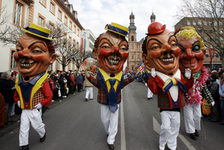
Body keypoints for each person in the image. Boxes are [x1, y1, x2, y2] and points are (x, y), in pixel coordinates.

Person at [142, 22, 193, 150]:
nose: (167, 49)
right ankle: (162, 142)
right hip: (165, 107)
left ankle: (172, 145)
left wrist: (188, 77)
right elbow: (154, 90)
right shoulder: (158, 77)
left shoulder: (179, 75)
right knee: (165, 127)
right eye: (155, 46)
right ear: (146, 58)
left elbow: (186, 86)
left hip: (176, 107)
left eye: (173, 44)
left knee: (175, 127)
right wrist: (152, 78)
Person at [86, 22, 134, 150]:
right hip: (103, 100)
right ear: (96, 53)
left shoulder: (120, 78)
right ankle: (109, 132)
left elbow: (125, 82)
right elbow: (95, 82)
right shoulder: (100, 76)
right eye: (107, 46)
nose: (117, 51)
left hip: (116, 101)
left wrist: (133, 75)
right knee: (104, 119)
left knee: (114, 120)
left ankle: (111, 138)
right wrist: (89, 75)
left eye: (123, 48)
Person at [13, 23, 56, 150]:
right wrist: (18, 101)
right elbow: (17, 93)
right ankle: (24, 145)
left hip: (34, 109)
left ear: (51, 58)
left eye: (36, 50)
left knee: (37, 125)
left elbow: (49, 95)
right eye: (19, 49)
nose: (23, 54)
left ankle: (42, 133)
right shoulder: (19, 80)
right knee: (23, 127)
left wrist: (41, 104)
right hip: (25, 109)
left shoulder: (42, 80)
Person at [176, 26, 214, 140]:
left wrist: (210, 99)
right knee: (188, 116)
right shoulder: (178, 74)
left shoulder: (201, 74)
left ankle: (196, 128)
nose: (189, 55)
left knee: (198, 115)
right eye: (182, 50)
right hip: (187, 99)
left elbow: (203, 88)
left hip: (197, 99)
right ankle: (191, 131)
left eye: (195, 48)